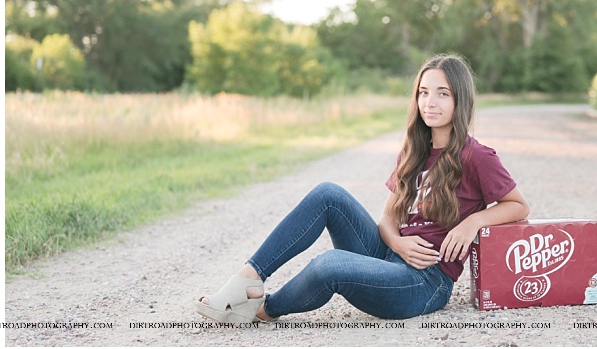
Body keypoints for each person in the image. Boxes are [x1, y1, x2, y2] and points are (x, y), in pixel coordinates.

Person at [195, 53, 530, 323]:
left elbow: (517, 205)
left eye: (443, 93)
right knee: (328, 194)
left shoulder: (477, 156)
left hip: (425, 282)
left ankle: (264, 307)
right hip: (389, 257)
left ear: (460, 98)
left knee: (331, 265)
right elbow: (387, 219)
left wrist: (472, 222)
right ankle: (248, 278)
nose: (430, 102)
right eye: (424, 92)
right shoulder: (414, 151)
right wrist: (397, 243)